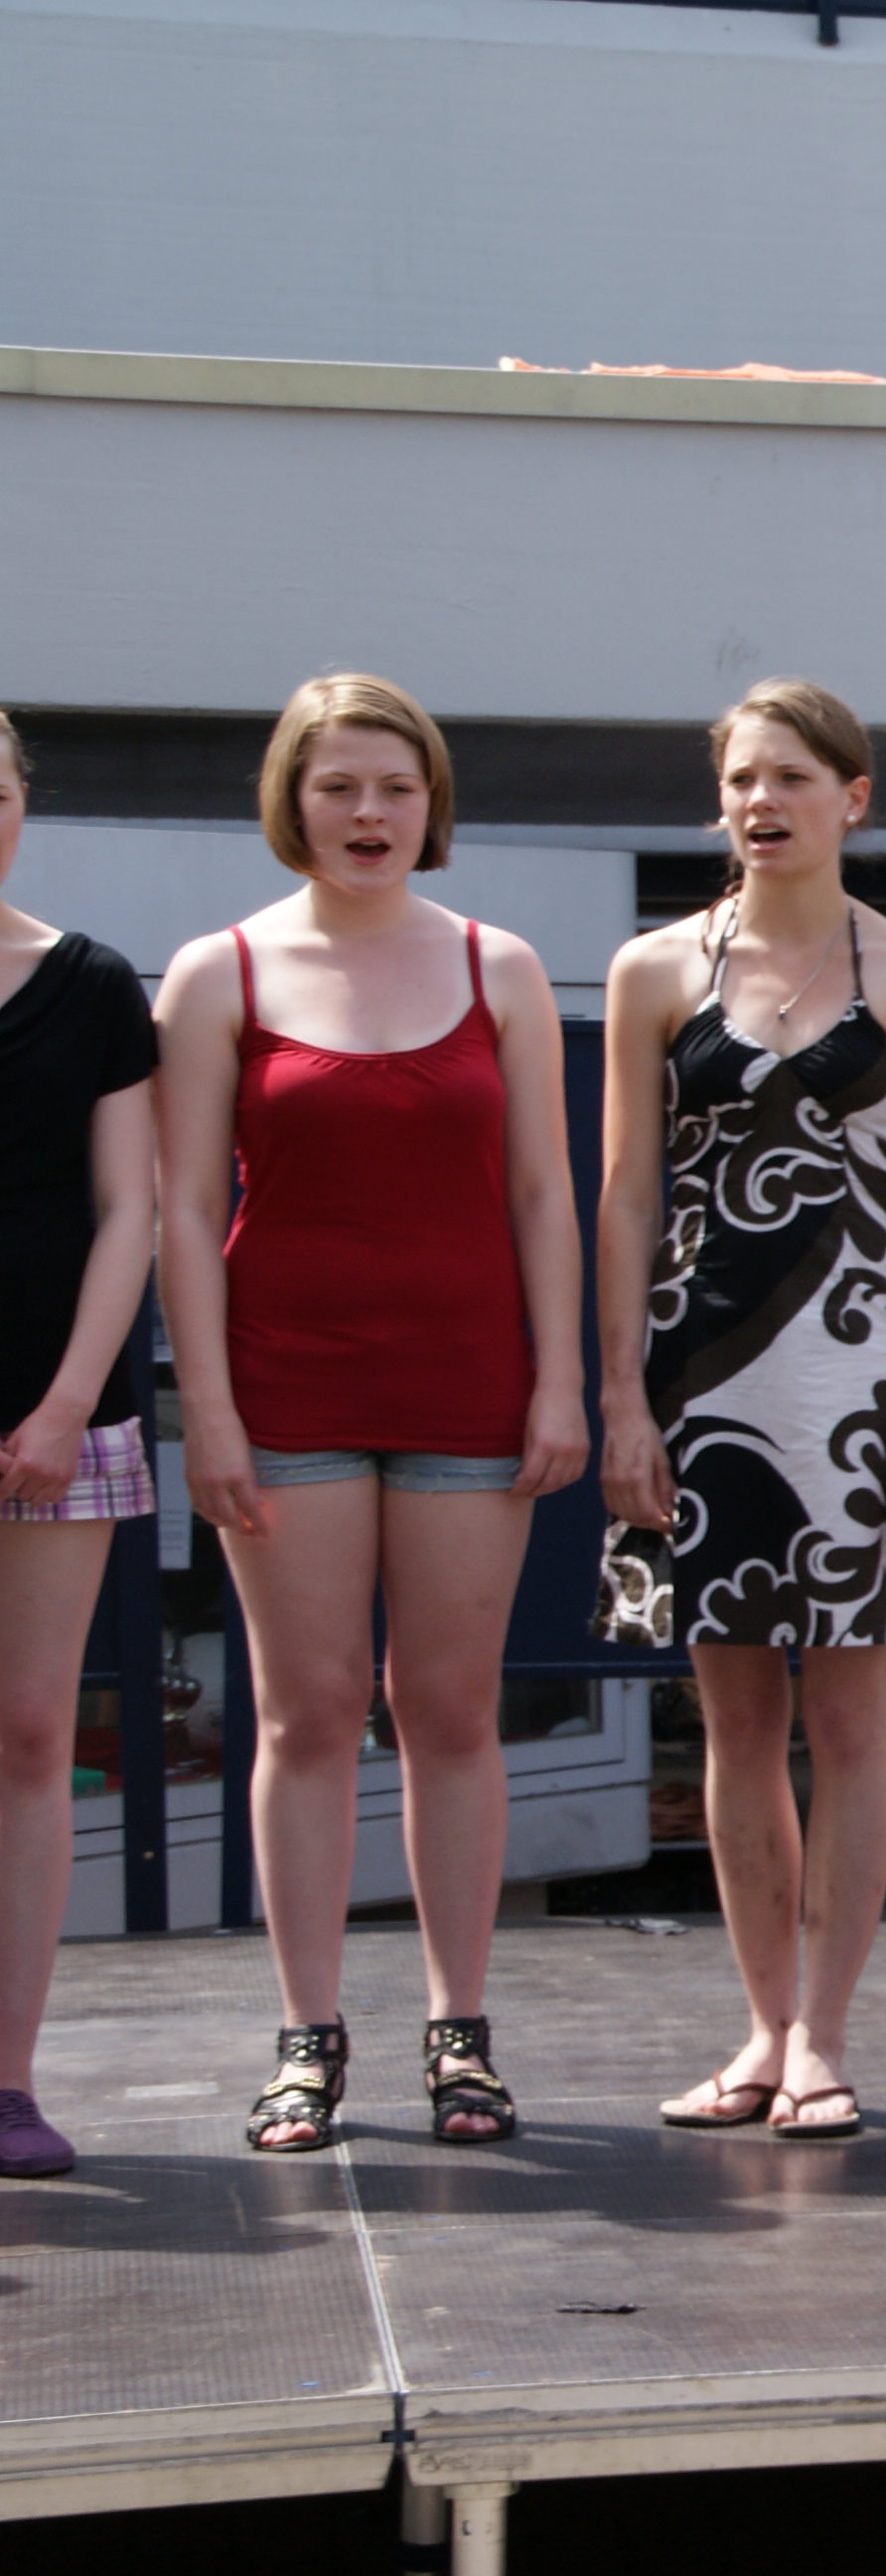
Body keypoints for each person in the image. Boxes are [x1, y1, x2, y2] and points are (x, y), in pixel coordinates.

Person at [153, 675, 586, 2153]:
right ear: (292, 801)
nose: (368, 812)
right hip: (288, 1385)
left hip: (468, 1388)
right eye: (336, 785)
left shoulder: (498, 966)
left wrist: (557, 1378)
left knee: (450, 1710)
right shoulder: (216, 974)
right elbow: (181, 1209)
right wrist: (208, 1411)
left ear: (432, 804)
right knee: (308, 1711)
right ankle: (307, 2038)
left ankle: (460, 2034)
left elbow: (545, 1194)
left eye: (396, 786)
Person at [596, 680, 886, 2145]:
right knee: (733, 1720)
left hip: (858, 1390)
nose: (763, 802)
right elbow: (628, 1199)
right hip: (698, 1384)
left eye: (794, 778)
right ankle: (761, 2029)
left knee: (849, 1718)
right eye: (743, 779)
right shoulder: (653, 973)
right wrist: (620, 1400)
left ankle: (826, 2036)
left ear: (851, 799)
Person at [0, 711, 160, 2181]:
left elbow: (132, 1210)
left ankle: (8, 2081)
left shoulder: (93, 983)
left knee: (32, 1737)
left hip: (61, 1422)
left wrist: (63, 1403)